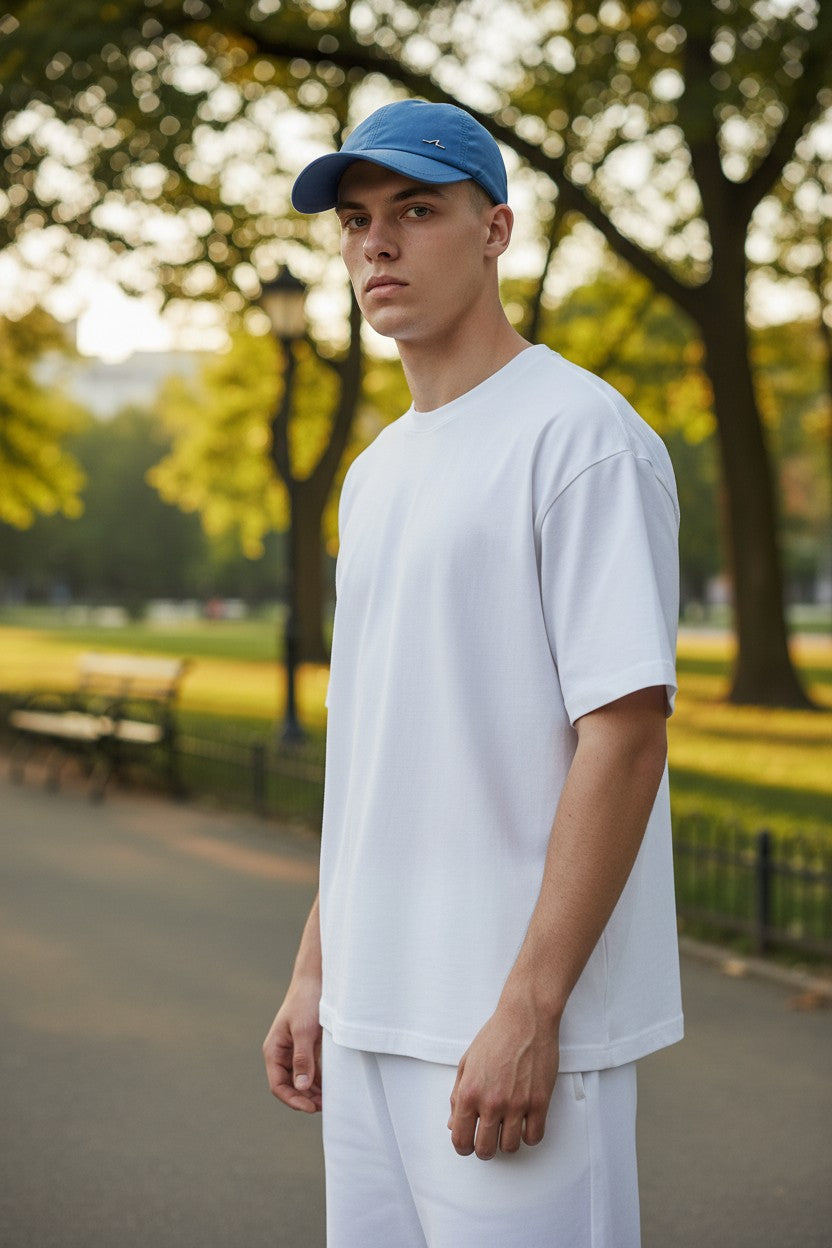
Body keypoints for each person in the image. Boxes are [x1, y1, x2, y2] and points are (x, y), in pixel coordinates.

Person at [263, 98, 683, 1248]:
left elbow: (626, 732)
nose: (375, 245)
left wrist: (530, 1009)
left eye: (415, 210)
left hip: (504, 1036)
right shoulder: (375, 472)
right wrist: (315, 972)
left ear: (494, 230)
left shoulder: (579, 436)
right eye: (354, 221)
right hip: (364, 1025)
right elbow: (378, 757)